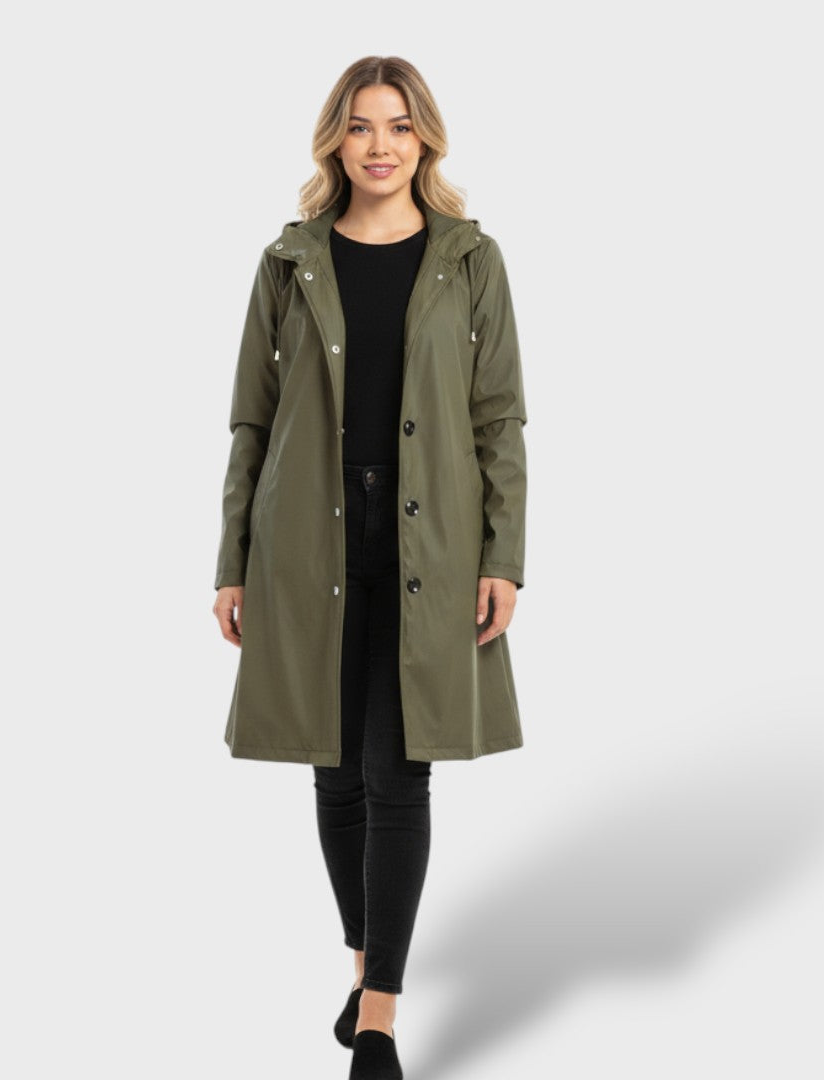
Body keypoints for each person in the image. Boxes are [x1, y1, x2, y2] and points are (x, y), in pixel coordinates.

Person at [212, 55, 528, 1080]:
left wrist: (504, 555)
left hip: (430, 536)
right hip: (307, 536)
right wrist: (232, 562)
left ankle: (380, 1017)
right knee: (335, 769)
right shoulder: (289, 259)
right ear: (335, 141)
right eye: (360, 126)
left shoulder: (469, 259)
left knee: (401, 770)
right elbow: (252, 420)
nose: (380, 145)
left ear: (424, 137)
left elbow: (498, 420)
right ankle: (365, 967)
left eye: (398, 125)